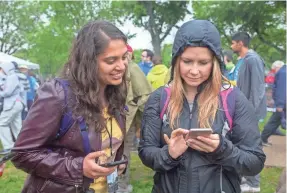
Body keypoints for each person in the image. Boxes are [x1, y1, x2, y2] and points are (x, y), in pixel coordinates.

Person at [138, 20, 265, 193]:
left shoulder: (233, 99)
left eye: (203, 63)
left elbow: (254, 161)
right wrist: (169, 154)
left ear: (215, 62)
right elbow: (146, 152)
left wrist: (221, 149)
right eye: (187, 61)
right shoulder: (160, 98)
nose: (194, 71)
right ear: (176, 60)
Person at [11, 21, 129, 193]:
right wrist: (79, 167)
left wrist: (118, 162)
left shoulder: (115, 95)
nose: (121, 66)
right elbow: (22, 154)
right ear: (88, 61)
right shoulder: (57, 94)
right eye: (111, 60)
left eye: (124, 57)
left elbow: (105, 145)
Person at [230, 32, 267, 192]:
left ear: (240, 43)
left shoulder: (253, 59)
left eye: (233, 43)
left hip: (250, 113)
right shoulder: (243, 61)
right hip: (242, 112)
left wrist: (249, 113)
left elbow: (258, 89)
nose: (231, 46)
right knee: (242, 145)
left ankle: (253, 184)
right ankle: (245, 180)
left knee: (251, 147)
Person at [117, 44, 152, 193]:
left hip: (125, 121)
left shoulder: (133, 68)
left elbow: (145, 95)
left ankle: (122, 187)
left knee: (122, 153)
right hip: (111, 118)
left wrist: (131, 110)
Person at [0, 61, 23, 155]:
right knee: (16, 126)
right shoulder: (14, 76)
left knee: (2, 124)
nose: (1, 71)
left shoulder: (11, 77)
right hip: (17, 103)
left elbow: (7, 92)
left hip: (12, 104)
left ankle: (8, 146)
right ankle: (21, 146)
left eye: (1, 68)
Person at [261, 62, 286, 146]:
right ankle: (262, 138)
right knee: (274, 121)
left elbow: (281, 89)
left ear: (277, 67)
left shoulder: (282, 72)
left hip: (283, 102)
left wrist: (280, 104)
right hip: (283, 103)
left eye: (274, 69)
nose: (274, 72)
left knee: (275, 121)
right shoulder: (283, 72)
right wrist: (280, 104)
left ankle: (263, 138)